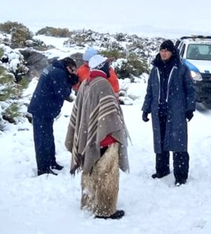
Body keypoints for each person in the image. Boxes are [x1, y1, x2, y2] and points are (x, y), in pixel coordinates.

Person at [65, 54, 129, 220]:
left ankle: (89, 200)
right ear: (101, 67)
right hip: (105, 136)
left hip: (89, 137)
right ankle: (105, 208)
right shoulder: (103, 84)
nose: (109, 67)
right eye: (106, 65)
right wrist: (116, 133)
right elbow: (110, 116)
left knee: (90, 168)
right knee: (107, 173)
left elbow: (81, 113)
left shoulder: (86, 82)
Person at [141, 39, 196, 186]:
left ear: (172, 52)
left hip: (176, 111)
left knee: (178, 144)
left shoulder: (181, 68)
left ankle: (181, 175)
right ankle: (162, 170)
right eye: (162, 50)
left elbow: (190, 89)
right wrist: (146, 109)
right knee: (160, 142)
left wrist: (190, 108)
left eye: (167, 50)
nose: (164, 53)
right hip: (158, 112)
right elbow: (150, 92)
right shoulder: (155, 69)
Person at [27, 57, 79, 176]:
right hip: (42, 110)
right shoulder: (59, 73)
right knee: (42, 140)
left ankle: (51, 162)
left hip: (44, 108)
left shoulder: (55, 68)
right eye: (72, 70)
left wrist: (69, 79)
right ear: (68, 66)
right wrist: (70, 82)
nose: (73, 72)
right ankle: (43, 168)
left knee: (48, 137)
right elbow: (62, 93)